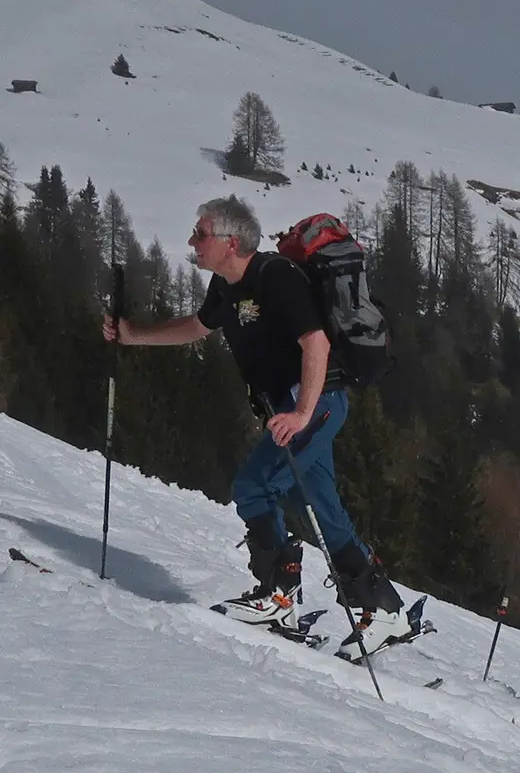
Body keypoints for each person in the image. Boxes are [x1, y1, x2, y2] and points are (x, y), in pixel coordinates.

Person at [103, 195, 409, 655]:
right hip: (296, 407)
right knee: (319, 509)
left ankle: (278, 595)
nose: (192, 241)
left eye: (201, 233)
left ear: (231, 241)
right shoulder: (225, 286)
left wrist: (302, 412)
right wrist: (135, 336)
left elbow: (317, 345)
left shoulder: (275, 277)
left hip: (314, 401)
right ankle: (383, 606)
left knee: (254, 485)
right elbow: (200, 326)